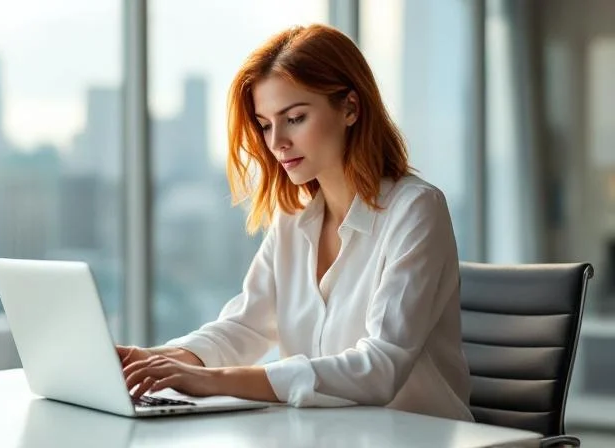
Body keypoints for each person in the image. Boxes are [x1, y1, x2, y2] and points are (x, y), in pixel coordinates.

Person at [117, 23, 473, 422]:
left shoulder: (416, 210)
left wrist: (213, 379)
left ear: (351, 108)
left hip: (421, 438)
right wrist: (151, 360)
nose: (277, 142)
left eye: (295, 118)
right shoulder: (292, 220)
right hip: (329, 436)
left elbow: (380, 367)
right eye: (266, 124)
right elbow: (245, 327)